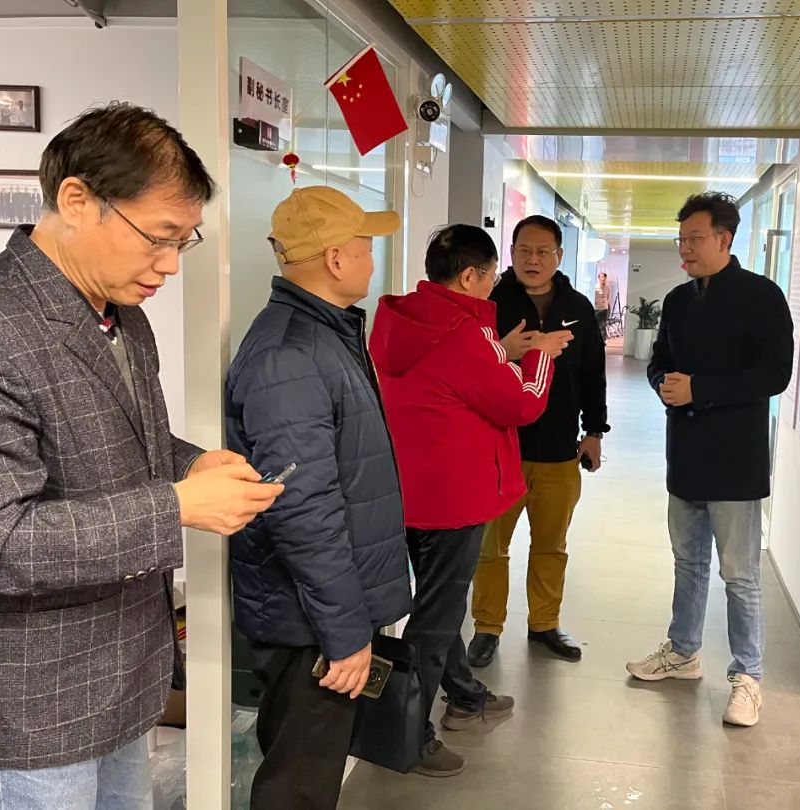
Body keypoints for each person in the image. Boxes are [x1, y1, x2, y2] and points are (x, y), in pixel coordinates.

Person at [0, 103, 282, 808]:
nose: (169, 265)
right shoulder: (8, 326)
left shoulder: (121, 312)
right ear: (76, 201)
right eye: (158, 237)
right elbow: (9, 539)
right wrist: (178, 506)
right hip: (38, 703)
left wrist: (190, 464)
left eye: (183, 242)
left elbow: (126, 441)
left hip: (126, 672)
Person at [226, 187, 411, 809]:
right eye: (366, 246)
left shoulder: (322, 336)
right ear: (335, 258)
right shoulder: (292, 355)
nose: (371, 259)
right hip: (309, 619)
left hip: (321, 611)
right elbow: (301, 510)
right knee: (298, 787)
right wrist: (345, 632)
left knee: (309, 776)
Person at [370, 224, 570, 775]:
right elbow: (522, 404)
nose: (493, 284)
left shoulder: (400, 321)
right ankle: (411, 737)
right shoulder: (464, 331)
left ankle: (464, 695)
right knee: (436, 620)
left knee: (439, 603)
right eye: (489, 275)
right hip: (454, 500)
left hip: (409, 492)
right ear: (468, 277)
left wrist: (501, 351)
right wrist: (541, 356)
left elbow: (448, 378)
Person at [626, 192, 793, 729]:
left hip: (735, 460)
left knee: (740, 575)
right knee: (688, 562)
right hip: (686, 454)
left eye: (694, 239)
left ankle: (748, 675)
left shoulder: (762, 297)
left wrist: (701, 389)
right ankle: (683, 651)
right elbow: (660, 361)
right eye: (681, 240)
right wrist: (662, 384)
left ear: (725, 239)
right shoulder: (678, 300)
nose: (685, 249)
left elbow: (774, 375)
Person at [467, 214, 609, 667]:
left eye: (543, 251)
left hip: (560, 450)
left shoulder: (578, 307)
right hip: (501, 449)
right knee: (491, 547)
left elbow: (593, 374)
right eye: (524, 250)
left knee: (551, 545)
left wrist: (594, 431)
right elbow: (471, 370)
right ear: (511, 254)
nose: (533, 259)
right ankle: (487, 627)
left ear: (559, 256)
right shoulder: (491, 303)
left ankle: (545, 623)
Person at [595, 271, 611, 339]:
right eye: (602, 277)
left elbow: (608, 297)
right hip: (597, 309)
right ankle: (597, 339)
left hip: (605, 308)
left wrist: (606, 304)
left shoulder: (607, 288)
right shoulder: (595, 287)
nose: (603, 278)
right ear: (599, 278)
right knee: (597, 325)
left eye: (604, 277)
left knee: (603, 325)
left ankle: (603, 339)